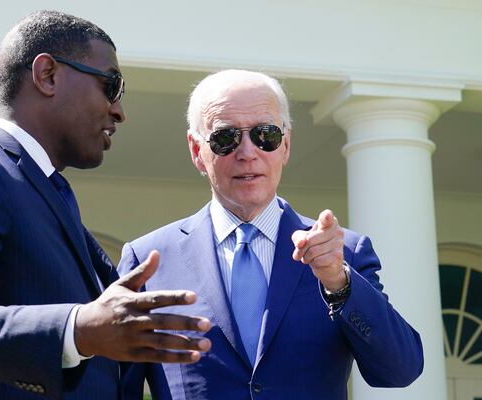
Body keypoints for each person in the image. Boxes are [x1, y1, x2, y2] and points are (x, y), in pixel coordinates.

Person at [0, 10, 211, 400]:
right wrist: (78, 327)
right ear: (47, 75)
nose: (119, 111)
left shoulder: (50, 194)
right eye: (111, 85)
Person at [118, 69, 424, 399]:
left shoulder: (344, 253)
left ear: (286, 145)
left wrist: (339, 283)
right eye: (226, 138)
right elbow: (117, 389)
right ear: (196, 151)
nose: (248, 152)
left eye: (265, 135)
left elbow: (400, 370)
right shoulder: (150, 260)